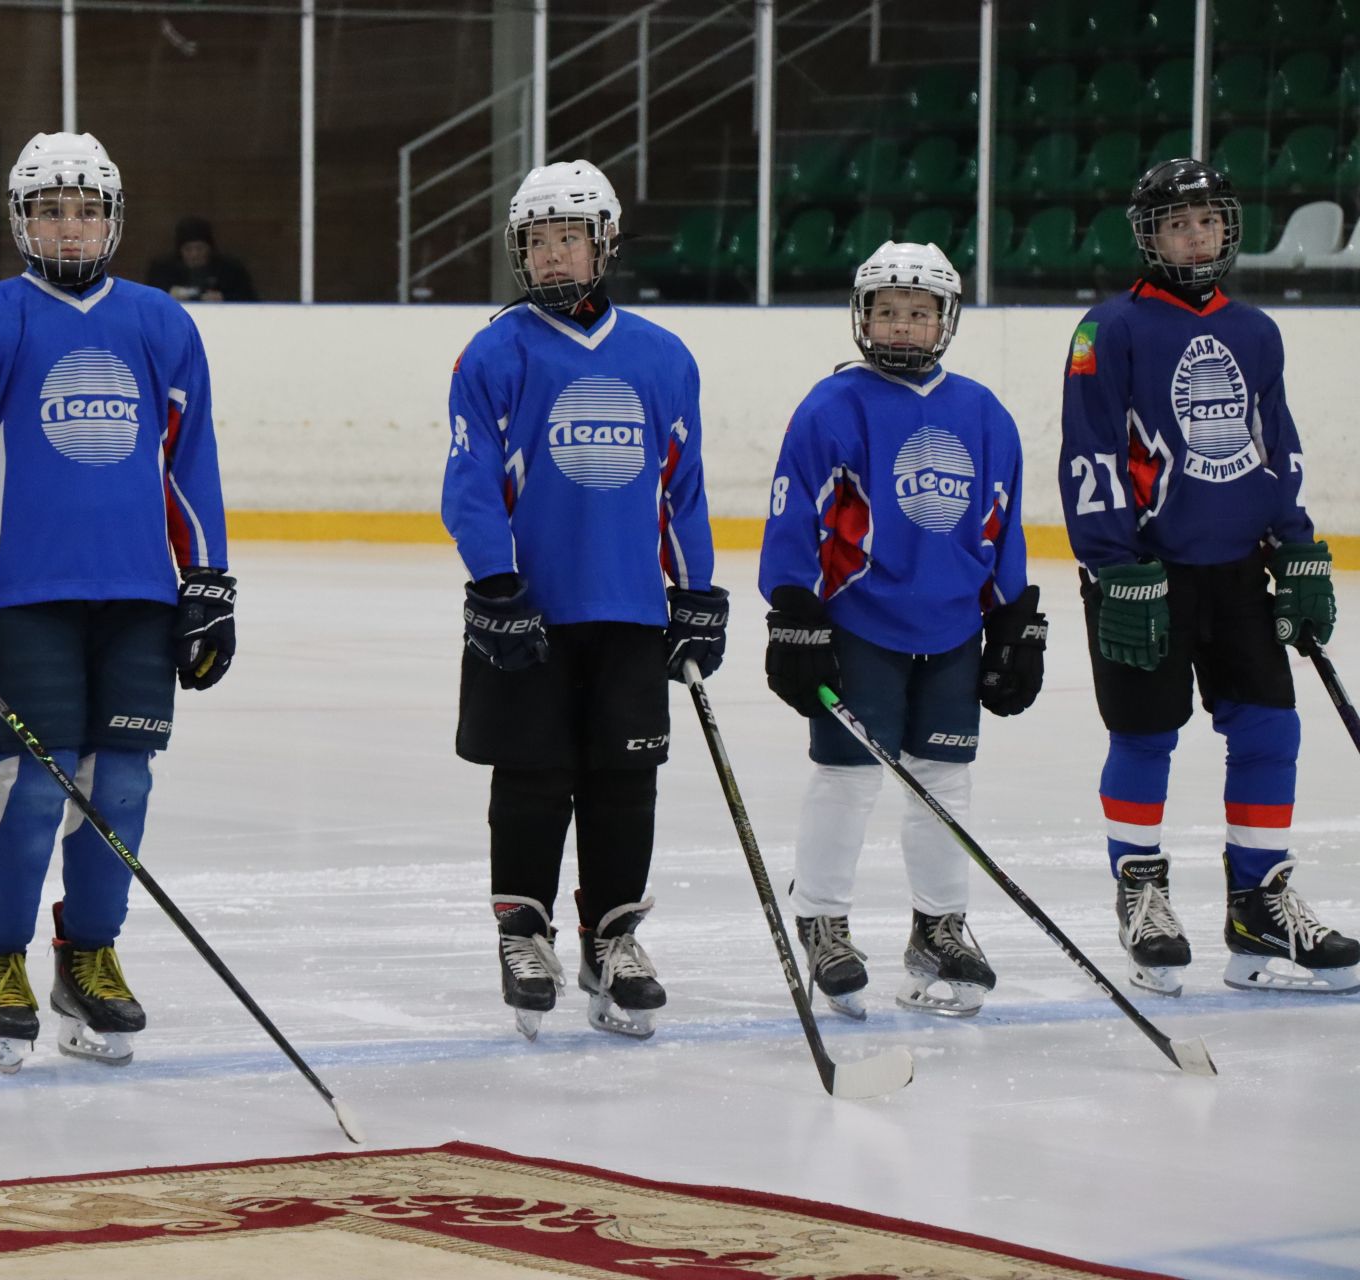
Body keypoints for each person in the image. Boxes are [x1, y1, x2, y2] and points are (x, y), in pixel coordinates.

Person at [0, 131, 233, 1073]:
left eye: (87, 209)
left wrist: (206, 580)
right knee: (34, 785)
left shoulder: (161, 323)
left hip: (139, 597)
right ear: (22, 221)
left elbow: (190, 463)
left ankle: (88, 953)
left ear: (113, 219)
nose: (71, 227)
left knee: (120, 785)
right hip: (24, 597)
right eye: (51, 210)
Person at [442, 159, 726, 1042]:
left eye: (569, 238)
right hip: (530, 611)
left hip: (632, 611)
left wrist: (698, 591)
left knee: (624, 782)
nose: (553, 256)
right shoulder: (496, 350)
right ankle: (524, 933)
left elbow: (682, 488)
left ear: (603, 244)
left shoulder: (662, 356)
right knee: (530, 778)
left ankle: (614, 939)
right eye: (537, 241)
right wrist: (494, 580)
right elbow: (472, 481)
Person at [1060, 158, 1357, 996]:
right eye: (1177, 223)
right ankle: (1142, 894)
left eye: (1209, 221)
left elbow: (1275, 444)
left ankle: (1257, 905)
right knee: (1147, 736)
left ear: (1228, 228)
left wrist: (1295, 546)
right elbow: (1088, 451)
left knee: (1270, 731)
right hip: (1145, 576)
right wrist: (1115, 566)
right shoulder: (1107, 329)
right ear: (1148, 236)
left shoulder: (1257, 330)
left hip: (1238, 572)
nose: (1196, 236)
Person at [759, 241, 1043, 1021]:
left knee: (944, 779)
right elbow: (794, 514)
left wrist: (1014, 622)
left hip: (953, 626)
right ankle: (822, 918)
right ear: (863, 316)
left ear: (946, 321)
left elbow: (1002, 523)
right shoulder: (833, 406)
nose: (904, 327)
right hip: (861, 624)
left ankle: (939, 927)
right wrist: (793, 612)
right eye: (889, 311)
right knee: (849, 777)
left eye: (920, 314)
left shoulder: (984, 412)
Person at [144, 215, 256, 301]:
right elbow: (147, 301)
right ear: (180, 251)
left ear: (210, 249)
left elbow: (250, 301)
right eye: (188, 249)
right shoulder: (162, 270)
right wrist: (167, 297)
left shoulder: (231, 270)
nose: (194, 254)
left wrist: (224, 299)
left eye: (200, 248)